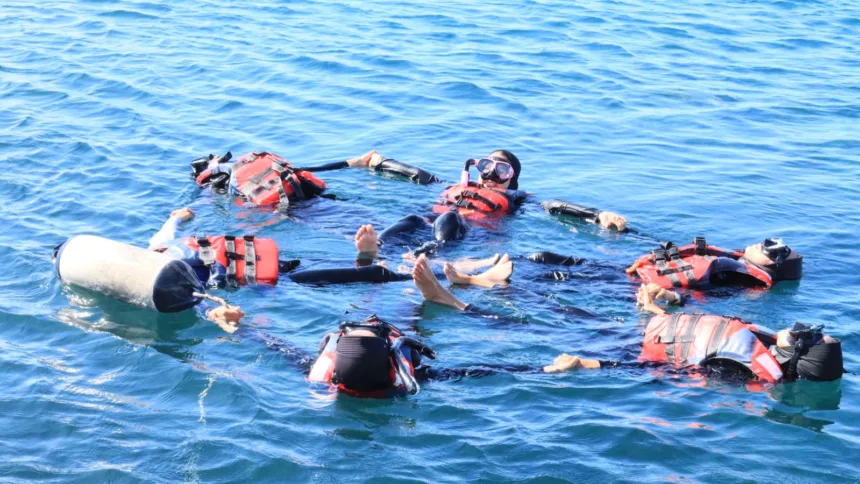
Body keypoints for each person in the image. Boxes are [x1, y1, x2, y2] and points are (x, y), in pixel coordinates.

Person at [542, 284, 845, 384]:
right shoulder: (762, 344)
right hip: (645, 331)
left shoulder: (738, 370)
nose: (799, 330)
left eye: (807, 337)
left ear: (797, 353)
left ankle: (500, 290)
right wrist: (654, 307)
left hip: (630, 348)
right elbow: (696, 330)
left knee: (542, 318)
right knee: (562, 306)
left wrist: (587, 365)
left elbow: (662, 368)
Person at [347, 149, 630, 253]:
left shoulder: (515, 198)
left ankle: (423, 257)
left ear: (512, 180)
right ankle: (377, 248)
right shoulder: (455, 186)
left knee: (449, 218)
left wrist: (597, 215)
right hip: (430, 224)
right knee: (411, 220)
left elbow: (553, 206)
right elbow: (417, 175)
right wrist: (378, 161)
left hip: (467, 233)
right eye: (487, 166)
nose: (493, 174)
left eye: (503, 170)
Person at [190, 150, 390, 208]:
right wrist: (353, 162)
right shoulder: (251, 161)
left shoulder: (216, 184)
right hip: (311, 192)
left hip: (288, 208)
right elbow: (306, 169)